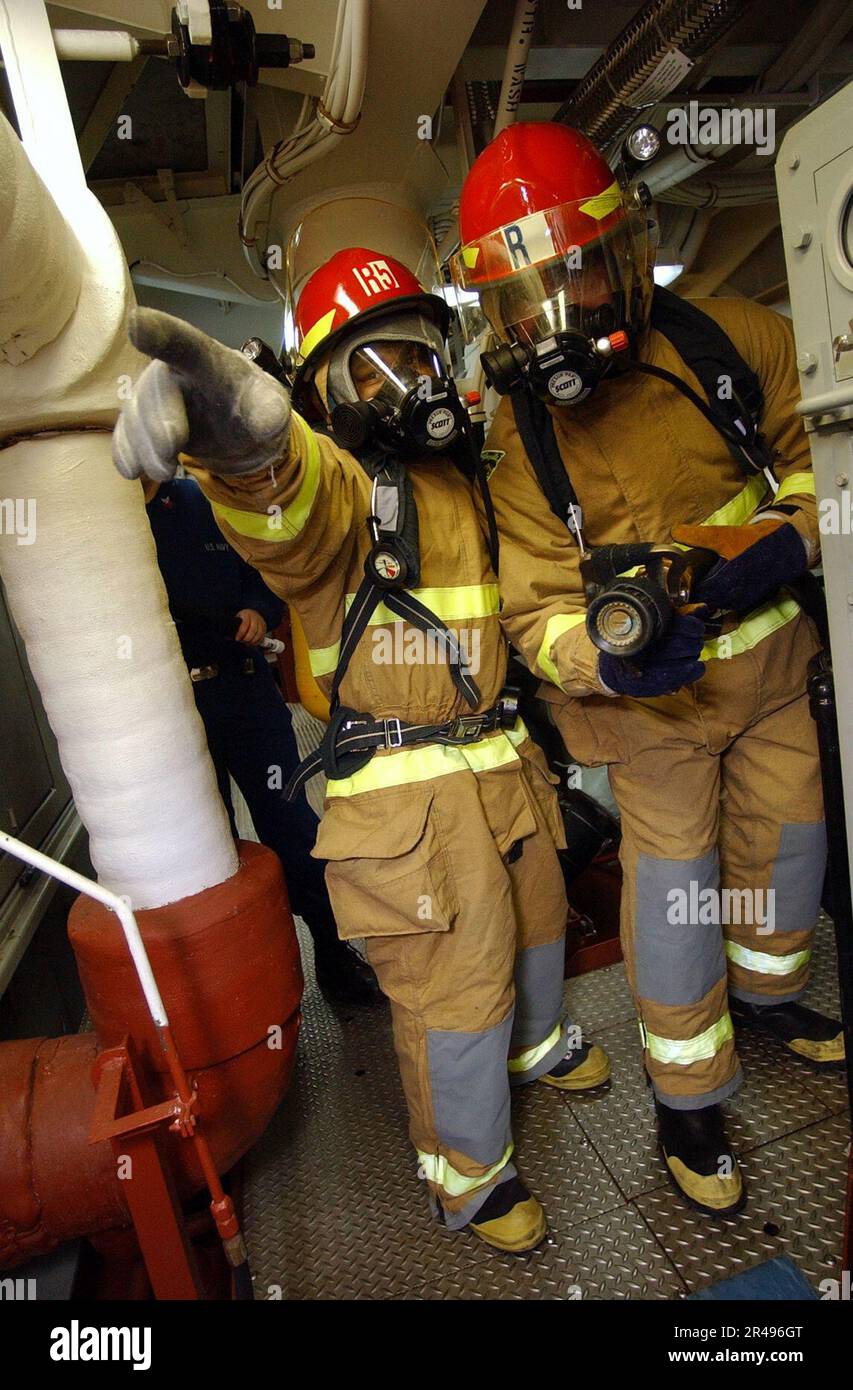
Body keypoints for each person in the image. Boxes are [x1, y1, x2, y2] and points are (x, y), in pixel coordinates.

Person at [111, 247, 611, 1253]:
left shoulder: (469, 481)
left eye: (419, 356)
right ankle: (468, 1176)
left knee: (537, 918)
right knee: (456, 983)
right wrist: (244, 447)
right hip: (409, 799)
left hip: (497, 765)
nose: (408, 388)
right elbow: (284, 513)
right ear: (327, 394)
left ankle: (540, 1044)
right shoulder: (346, 488)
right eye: (371, 371)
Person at [450, 121, 843, 1219]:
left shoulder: (730, 341)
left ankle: (769, 996)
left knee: (790, 849)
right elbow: (531, 608)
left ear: (622, 253)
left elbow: (827, 458)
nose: (551, 318)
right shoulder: (512, 440)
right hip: (653, 720)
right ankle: (688, 1099)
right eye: (518, 298)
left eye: (569, 270)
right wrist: (603, 667)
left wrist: (789, 536)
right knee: (673, 905)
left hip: (771, 673)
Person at [143, 473, 381, 1009]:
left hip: (243, 692)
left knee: (290, 822)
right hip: (168, 709)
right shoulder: (114, 528)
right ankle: (246, 984)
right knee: (208, 842)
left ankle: (334, 955)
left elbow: (263, 567)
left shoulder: (204, 502)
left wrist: (258, 608)